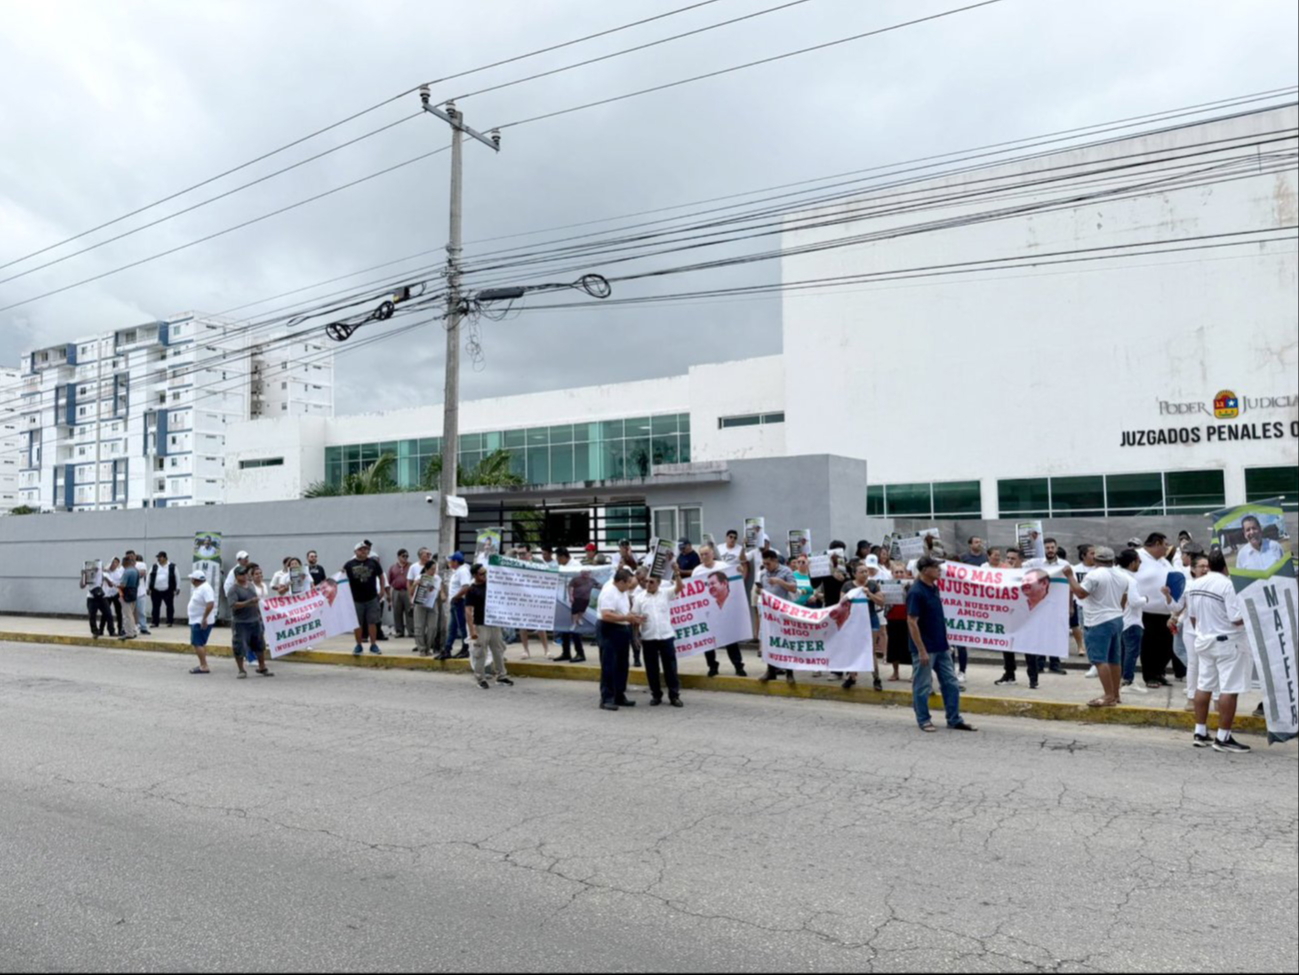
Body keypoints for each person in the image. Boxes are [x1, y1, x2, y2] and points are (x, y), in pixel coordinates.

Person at [1186, 551, 1251, 753]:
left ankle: (1200, 731)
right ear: (1228, 565)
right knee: (1229, 689)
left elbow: (1193, 617)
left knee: (1203, 685)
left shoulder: (1195, 584)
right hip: (1228, 642)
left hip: (1204, 640)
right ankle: (1223, 737)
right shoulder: (1228, 585)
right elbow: (1236, 618)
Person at [906, 555, 976, 733]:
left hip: (941, 646)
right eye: (935, 567)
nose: (939, 570)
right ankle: (923, 720)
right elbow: (912, 622)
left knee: (951, 683)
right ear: (924, 570)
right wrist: (921, 650)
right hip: (925, 649)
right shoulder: (916, 592)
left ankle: (954, 719)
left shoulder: (933, 587)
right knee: (922, 686)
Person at [1063, 547, 1127, 707]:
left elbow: (1080, 593)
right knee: (1114, 659)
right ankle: (1116, 694)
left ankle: (1108, 695)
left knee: (1099, 660)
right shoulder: (1122, 576)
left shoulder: (1094, 575)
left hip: (1098, 620)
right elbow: (1124, 599)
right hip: (1116, 617)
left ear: (1095, 560)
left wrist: (1070, 576)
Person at [693, 544, 746, 677]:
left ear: (712, 554)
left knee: (730, 639)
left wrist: (739, 570)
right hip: (707, 611)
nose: (704, 557)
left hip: (725, 608)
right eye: (702, 554)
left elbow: (736, 578)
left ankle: (738, 665)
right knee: (708, 641)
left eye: (706, 554)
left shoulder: (723, 566)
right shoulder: (697, 571)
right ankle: (712, 666)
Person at [634, 568, 683, 707]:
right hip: (649, 638)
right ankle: (656, 695)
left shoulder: (665, 593)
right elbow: (634, 617)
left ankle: (674, 696)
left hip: (666, 636)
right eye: (646, 581)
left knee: (671, 668)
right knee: (651, 669)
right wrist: (636, 635)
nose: (648, 584)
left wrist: (677, 573)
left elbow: (680, 587)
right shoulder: (640, 598)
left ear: (659, 583)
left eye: (651, 582)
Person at [1134, 532, 1178, 688]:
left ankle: (1160, 672)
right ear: (1157, 543)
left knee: (1166, 645)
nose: (1167, 548)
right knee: (1149, 645)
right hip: (1146, 610)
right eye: (1165, 545)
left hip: (1165, 611)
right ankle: (1150, 676)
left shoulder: (1163, 561)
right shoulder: (1138, 556)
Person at [597, 568, 644, 711]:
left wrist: (633, 618)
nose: (630, 585)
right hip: (609, 629)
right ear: (621, 581)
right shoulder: (609, 592)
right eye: (628, 583)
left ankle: (619, 694)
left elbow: (623, 611)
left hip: (622, 628)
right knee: (609, 665)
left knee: (622, 664)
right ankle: (607, 698)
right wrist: (626, 618)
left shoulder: (622, 592)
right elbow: (606, 615)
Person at [464, 564, 513, 690]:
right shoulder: (471, 590)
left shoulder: (491, 586)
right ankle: (480, 678)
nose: (484, 575)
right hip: (481, 625)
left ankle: (501, 676)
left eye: (485, 573)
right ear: (474, 575)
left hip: (494, 623)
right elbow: (468, 611)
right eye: (481, 574)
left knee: (498, 650)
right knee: (480, 652)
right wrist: (472, 630)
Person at [1025, 538, 1069, 674]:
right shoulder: (1035, 563)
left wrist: (1070, 605)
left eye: (1052, 547)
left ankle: (1055, 664)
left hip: (1057, 605)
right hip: (1039, 604)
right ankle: (1040, 664)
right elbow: (1018, 567)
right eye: (1047, 548)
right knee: (1039, 634)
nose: (1050, 550)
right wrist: (1023, 548)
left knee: (1055, 633)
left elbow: (1069, 585)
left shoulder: (1064, 564)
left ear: (1056, 548)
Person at [758, 549, 800, 685]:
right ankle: (771, 670)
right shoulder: (763, 574)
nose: (766, 566)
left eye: (768, 564)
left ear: (775, 561)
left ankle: (789, 672)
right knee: (770, 641)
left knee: (786, 642)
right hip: (769, 614)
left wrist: (779, 582)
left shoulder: (786, 571)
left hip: (783, 614)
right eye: (764, 564)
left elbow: (793, 588)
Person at [843, 563, 887, 692]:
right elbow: (842, 602)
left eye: (866, 571)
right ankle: (852, 677)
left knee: (871, 649)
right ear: (854, 574)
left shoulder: (872, 585)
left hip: (870, 620)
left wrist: (869, 595)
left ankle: (876, 678)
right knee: (853, 648)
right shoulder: (848, 586)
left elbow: (881, 601)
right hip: (853, 621)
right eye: (861, 571)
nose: (864, 574)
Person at [343, 541, 387, 657]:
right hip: (356, 599)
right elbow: (342, 577)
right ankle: (358, 645)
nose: (364, 551)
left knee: (372, 622)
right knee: (357, 623)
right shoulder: (349, 564)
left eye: (365, 549)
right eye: (361, 549)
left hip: (372, 598)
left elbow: (381, 576)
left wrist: (382, 590)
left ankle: (373, 644)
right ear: (355, 552)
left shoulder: (373, 563)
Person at [228, 564, 272, 678]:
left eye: (246, 573)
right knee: (239, 646)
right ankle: (241, 670)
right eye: (242, 574)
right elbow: (233, 605)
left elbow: (256, 602)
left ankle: (262, 667)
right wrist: (249, 602)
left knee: (260, 645)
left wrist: (260, 613)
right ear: (237, 576)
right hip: (240, 622)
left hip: (255, 620)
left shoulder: (251, 586)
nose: (245, 575)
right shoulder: (233, 589)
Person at [555, 548, 592, 663]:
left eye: (558, 558)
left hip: (575, 600)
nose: (557, 560)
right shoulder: (561, 567)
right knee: (564, 627)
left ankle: (580, 653)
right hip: (564, 601)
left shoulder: (576, 566)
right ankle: (566, 652)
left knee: (574, 627)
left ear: (564, 556)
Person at [411, 552, 444, 657]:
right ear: (426, 569)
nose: (433, 571)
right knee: (419, 627)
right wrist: (415, 584)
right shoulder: (419, 577)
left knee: (432, 627)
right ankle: (421, 648)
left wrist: (442, 595)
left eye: (435, 569)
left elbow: (440, 590)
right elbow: (411, 591)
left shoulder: (437, 578)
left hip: (432, 603)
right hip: (420, 603)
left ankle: (428, 646)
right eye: (432, 569)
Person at [442, 552, 473, 659]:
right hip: (455, 603)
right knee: (452, 628)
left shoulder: (463, 571)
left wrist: (456, 597)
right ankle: (447, 649)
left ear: (455, 562)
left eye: (450, 561)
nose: (449, 563)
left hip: (459, 602)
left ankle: (466, 649)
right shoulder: (458, 571)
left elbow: (466, 587)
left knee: (462, 627)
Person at [187, 569, 216, 675]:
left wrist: (204, 618)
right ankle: (203, 664)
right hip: (197, 619)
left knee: (197, 643)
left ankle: (204, 666)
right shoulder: (200, 588)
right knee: (199, 643)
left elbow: (210, 604)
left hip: (200, 621)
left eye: (191, 579)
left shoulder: (205, 589)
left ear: (195, 580)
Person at [80, 560, 112, 637]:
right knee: (92, 615)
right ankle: (95, 631)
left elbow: (111, 585)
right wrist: (84, 575)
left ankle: (111, 630)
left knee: (108, 613)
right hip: (91, 597)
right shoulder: (88, 574)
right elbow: (82, 586)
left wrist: (105, 578)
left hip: (102, 596)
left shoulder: (104, 574)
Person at [388, 549, 414, 639]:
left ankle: (411, 631)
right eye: (403, 556)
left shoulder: (411, 566)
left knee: (410, 611)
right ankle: (399, 631)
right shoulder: (393, 567)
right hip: (397, 591)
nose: (405, 558)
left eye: (407, 556)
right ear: (398, 556)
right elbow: (390, 582)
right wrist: (390, 598)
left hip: (407, 591)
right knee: (397, 612)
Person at [148, 552, 178, 628]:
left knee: (170, 606)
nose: (159, 559)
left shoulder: (172, 566)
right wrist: (147, 588)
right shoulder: (154, 566)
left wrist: (178, 588)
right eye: (158, 557)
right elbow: (149, 577)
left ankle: (169, 621)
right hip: (156, 590)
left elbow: (177, 577)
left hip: (168, 590)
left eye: (160, 557)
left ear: (165, 558)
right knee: (155, 607)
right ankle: (155, 622)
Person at [118, 554, 141, 640]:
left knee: (127, 615)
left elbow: (123, 585)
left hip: (126, 594)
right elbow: (137, 584)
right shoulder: (136, 571)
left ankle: (129, 633)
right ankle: (133, 631)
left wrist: (117, 586)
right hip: (134, 593)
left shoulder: (127, 572)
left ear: (125, 562)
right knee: (131, 614)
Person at [102, 557, 123, 636]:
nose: (114, 564)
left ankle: (120, 629)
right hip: (107, 594)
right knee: (106, 613)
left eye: (116, 563)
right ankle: (101, 629)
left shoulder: (120, 572)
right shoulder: (106, 572)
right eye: (113, 562)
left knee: (119, 612)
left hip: (116, 594)